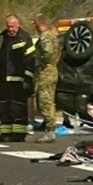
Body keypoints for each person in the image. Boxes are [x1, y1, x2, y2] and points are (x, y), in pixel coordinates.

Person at [0, 14, 35, 142]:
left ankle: (19, 134)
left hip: (18, 81)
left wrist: (27, 79)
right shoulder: (2, 37)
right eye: (8, 27)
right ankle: (6, 133)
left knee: (17, 107)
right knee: (3, 107)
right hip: (3, 80)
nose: (10, 29)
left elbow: (31, 60)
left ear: (18, 25)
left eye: (13, 27)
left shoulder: (25, 38)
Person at [32, 14, 60, 143]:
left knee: (45, 101)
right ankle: (47, 125)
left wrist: (39, 61)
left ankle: (50, 130)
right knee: (48, 100)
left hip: (46, 72)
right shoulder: (52, 36)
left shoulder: (45, 37)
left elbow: (47, 52)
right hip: (52, 70)